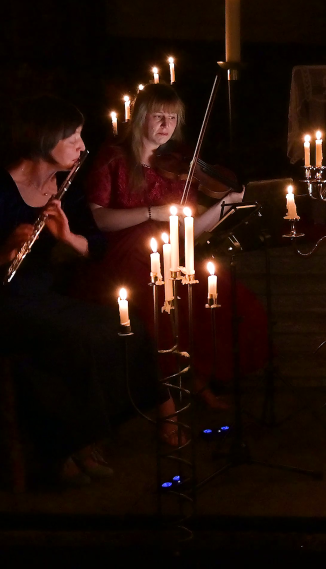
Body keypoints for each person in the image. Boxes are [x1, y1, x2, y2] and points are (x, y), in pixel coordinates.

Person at [0, 96, 173, 487]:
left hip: (38, 298)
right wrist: (3, 251)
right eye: (73, 138)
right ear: (45, 138)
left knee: (122, 324)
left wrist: (68, 236)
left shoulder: (66, 188)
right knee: (66, 340)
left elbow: (96, 247)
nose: (82, 147)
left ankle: (92, 436)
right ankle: (66, 449)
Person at [80, 83, 269, 408]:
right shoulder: (114, 157)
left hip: (171, 250)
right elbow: (98, 218)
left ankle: (198, 379)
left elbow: (189, 232)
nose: (166, 125)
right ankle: (165, 406)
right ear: (141, 116)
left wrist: (227, 204)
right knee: (157, 306)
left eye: (172, 117)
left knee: (224, 297)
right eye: (158, 116)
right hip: (126, 251)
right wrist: (153, 212)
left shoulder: (181, 166)